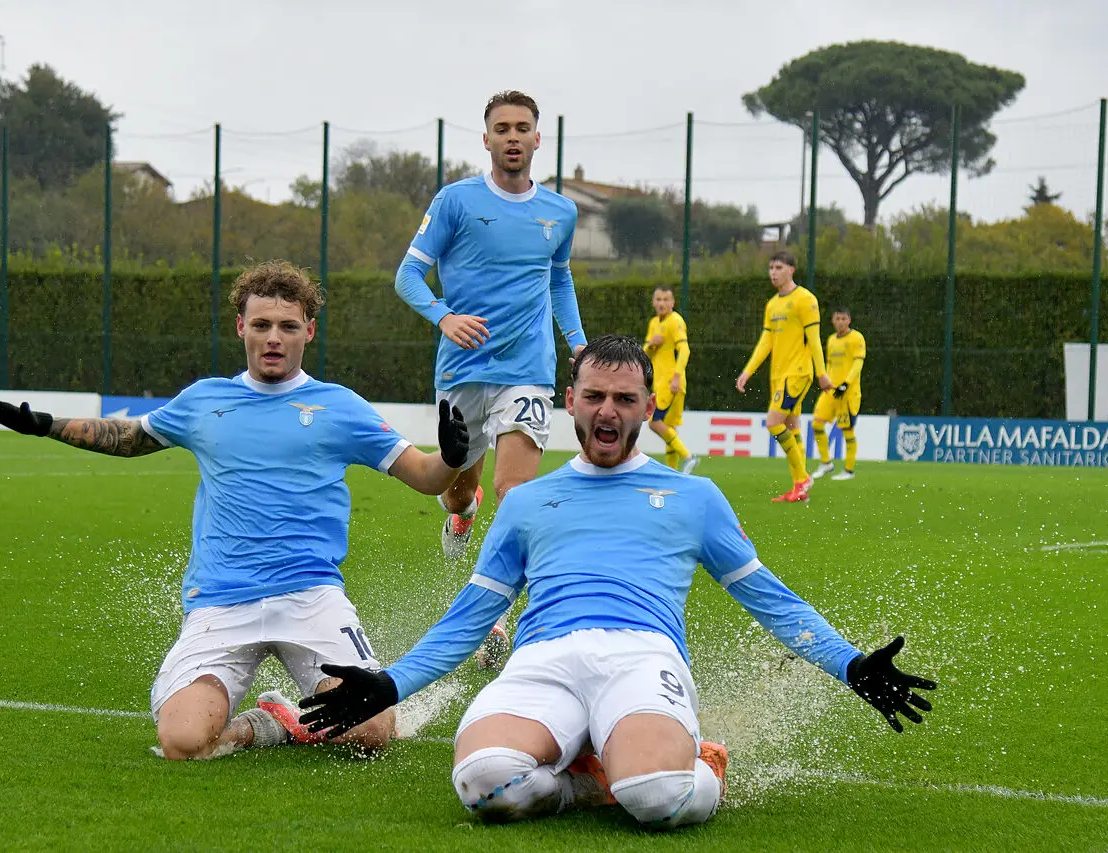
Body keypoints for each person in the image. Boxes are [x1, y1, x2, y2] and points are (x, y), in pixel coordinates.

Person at [299, 335, 935, 832]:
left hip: (642, 656)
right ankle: (588, 780)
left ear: (648, 408)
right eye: (595, 396)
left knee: (657, 797)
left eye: (625, 400)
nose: (608, 411)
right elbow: (470, 618)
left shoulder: (695, 497)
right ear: (570, 401)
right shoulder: (526, 503)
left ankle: (697, 763)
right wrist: (389, 685)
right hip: (542, 659)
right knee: (485, 785)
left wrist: (851, 665)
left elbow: (770, 599)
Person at [0, 261, 472, 761]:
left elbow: (425, 477)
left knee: (371, 732)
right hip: (222, 601)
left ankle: (297, 717)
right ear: (240, 327)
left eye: (288, 326)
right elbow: (129, 438)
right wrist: (45, 426)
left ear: (309, 331)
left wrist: (450, 458)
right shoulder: (203, 401)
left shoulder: (339, 406)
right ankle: (269, 725)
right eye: (261, 325)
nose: (274, 338)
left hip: (311, 595)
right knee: (183, 742)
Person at [394, 89, 588, 667]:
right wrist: (443, 317)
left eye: (521, 127)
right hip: (462, 370)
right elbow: (408, 276)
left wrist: (578, 344)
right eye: (501, 128)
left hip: (528, 370)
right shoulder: (455, 201)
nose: (512, 136)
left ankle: (493, 614)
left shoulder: (560, 212)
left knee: (516, 493)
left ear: (537, 139)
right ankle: (463, 509)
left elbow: (559, 280)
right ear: (486, 139)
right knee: (457, 488)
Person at [735, 251, 833, 503]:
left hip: (798, 373)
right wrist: (748, 371)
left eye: (779, 267)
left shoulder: (805, 300)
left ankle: (802, 478)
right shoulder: (772, 305)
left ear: (792, 269)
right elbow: (765, 341)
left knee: (773, 422)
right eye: (771, 268)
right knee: (791, 427)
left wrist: (822, 374)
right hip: (778, 375)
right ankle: (800, 489)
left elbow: (815, 340)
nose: (773, 273)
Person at [643, 285, 697, 473]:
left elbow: (685, 350)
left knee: (654, 422)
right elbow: (645, 355)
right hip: (660, 383)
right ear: (653, 302)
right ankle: (673, 473)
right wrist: (651, 344)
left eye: (666, 299)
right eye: (658, 299)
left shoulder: (675, 321)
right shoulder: (654, 323)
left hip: (670, 382)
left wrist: (676, 377)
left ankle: (688, 456)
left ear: (673, 302)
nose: (662, 303)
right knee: (669, 427)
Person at [812, 307, 866, 481]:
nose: (840, 322)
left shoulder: (857, 338)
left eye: (843, 318)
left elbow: (858, 364)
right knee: (816, 424)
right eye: (837, 318)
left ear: (849, 320)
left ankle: (849, 470)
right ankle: (826, 463)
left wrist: (846, 384)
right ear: (833, 321)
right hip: (831, 391)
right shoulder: (831, 340)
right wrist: (826, 380)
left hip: (848, 393)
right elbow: (830, 365)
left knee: (847, 430)